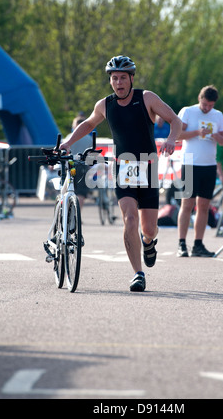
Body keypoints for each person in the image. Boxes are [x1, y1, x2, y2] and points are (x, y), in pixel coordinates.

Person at [60, 55, 182, 291]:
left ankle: (149, 242)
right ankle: (138, 273)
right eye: (114, 78)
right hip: (124, 168)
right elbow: (88, 124)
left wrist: (171, 139)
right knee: (129, 218)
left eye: (123, 78)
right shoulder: (105, 105)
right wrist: (68, 142)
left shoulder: (146, 98)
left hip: (148, 165)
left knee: (149, 227)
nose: (119, 83)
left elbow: (175, 120)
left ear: (131, 79)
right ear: (111, 81)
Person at [176, 85, 223, 257]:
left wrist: (214, 135)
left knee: (204, 206)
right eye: (205, 104)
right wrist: (197, 132)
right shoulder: (188, 111)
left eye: (210, 105)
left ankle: (198, 244)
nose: (207, 108)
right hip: (190, 162)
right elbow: (177, 134)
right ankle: (181, 243)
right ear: (200, 99)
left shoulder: (218, 115)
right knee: (187, 204)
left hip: (209, 164)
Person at [65, 116, 93, 211]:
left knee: (68, 190)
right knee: (81, 193)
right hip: (83, 166)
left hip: (70, 165)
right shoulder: (89, 139)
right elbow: (90, 154)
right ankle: (77, 214)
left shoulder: (69, 138)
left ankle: (67, 212)